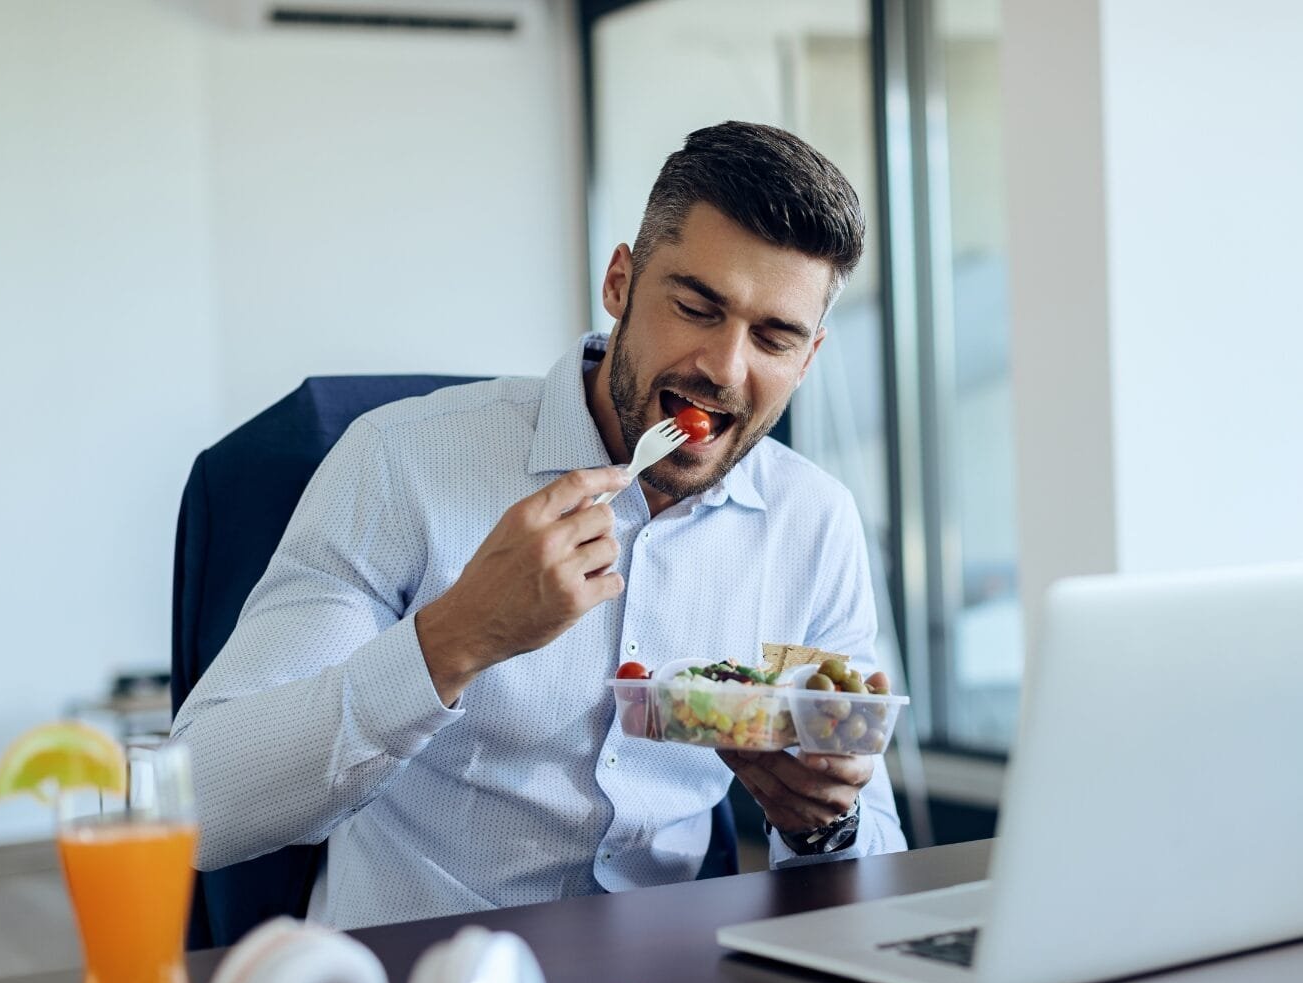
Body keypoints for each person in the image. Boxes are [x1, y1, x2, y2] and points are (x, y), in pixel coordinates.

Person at [173, 120, 907, 931]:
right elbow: (200, 801)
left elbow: (867, 853)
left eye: (774, 338)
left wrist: (822, 821)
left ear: (807, 360)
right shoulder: (399, 460)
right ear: (621, 283)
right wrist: (458, 635)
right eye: (697, 307)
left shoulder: (813, 523)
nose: (725, 368)